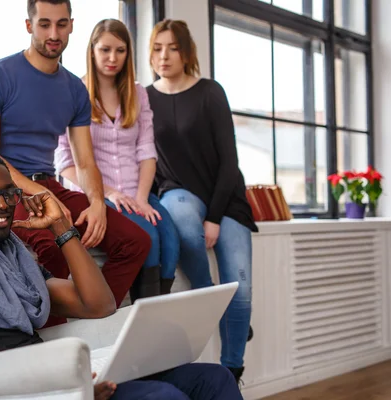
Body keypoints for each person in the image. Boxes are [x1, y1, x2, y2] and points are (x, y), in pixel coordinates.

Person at [0, 150, 243, 400]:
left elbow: (98, 304)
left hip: (61, 378)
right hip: (35, 392)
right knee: (163, 397)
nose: (3, 204)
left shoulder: (12, 256)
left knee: (213, 379)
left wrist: (61, 227)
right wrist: (70, 390)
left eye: (9, 193)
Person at [0, 0, 150, 322]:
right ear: (29, 26)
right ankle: (54, 336)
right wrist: (40, 195)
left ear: (71, 25)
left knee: (135, 241)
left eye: (62, 24)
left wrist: (97, 202)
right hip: (4, 189)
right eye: (44, 24)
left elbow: (85, 161)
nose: (54, 33)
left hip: (49, 183)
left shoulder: (74, 89)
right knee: (53, 246)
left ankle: (93, 319)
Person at [145, 19, 258, 383]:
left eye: (173, 48)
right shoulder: (144, 97)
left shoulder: (210, 92)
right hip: (178, 192)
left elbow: (229, 161)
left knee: (240, 290)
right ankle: (214, 301)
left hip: (225, 198)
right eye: (158, 47)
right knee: (180, 215)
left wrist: (216, 216)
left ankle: (231, 372)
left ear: (186, 52)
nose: (164, 56)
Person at [55, 19, 179, 301]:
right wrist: (108, 192)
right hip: (101, 195)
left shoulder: (138, 93)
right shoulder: (74, 92)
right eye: (105, 50)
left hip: (139, 192)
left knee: (172, 242)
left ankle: (158, 310)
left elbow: (146, 151)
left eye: (120, 51)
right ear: (92, 51)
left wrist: (142, 198)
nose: (112, 58)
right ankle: (145, 314)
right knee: (150, 242)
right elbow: (65, 163)